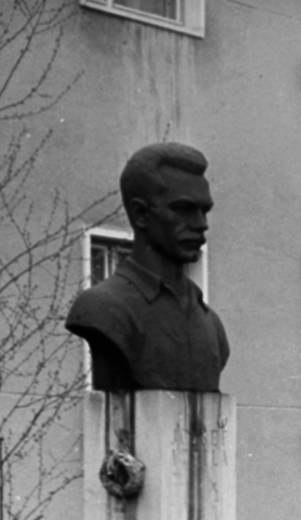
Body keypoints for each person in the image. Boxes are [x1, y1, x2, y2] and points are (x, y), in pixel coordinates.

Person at [65, 142, 230, 392]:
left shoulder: (212, 326)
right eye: (184, 209)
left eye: (204, 211)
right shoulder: (101, 309)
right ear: (141, 214)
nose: (201, 224)